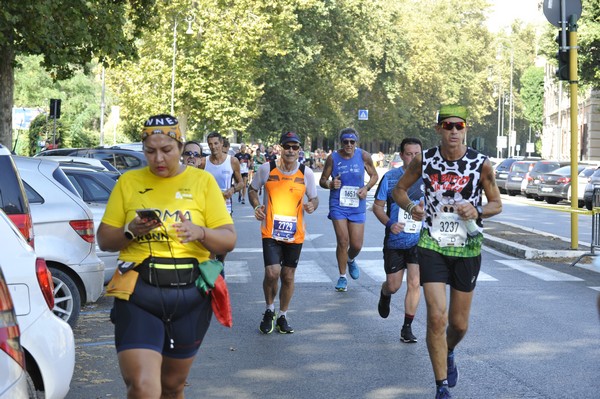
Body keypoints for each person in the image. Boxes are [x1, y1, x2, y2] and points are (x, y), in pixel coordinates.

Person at [97, 114, 237, 399]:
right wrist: (130, 231)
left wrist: (201, 232)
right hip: (138, 293)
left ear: (180, 146)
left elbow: (229, 240)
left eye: (166, 150)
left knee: (172, 388)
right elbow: (104, 240)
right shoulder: (129, 182)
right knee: (143, 387)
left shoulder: (202, 182)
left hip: (191, 295)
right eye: (150, 151)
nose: (158, 158)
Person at [392, 105, 502, 399]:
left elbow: (496, 204)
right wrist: (411, 207)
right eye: (448, 125)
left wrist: (476, 209)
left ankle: (449, 348)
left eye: (459, 125)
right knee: (436, 319)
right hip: (432, 245)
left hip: (467, 248)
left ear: (466, 129)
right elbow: (399, 190)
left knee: (458, 324)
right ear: (439, 128)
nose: (454, 131)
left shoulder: (481, 164)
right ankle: (441, 386)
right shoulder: (425, 160)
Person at [248, 131, 318, 334]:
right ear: (280, 148)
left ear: (299, 150)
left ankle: (283, 315)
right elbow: (252, 190)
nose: (290, 150)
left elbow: (314, 198)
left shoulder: (306, 173)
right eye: (287, 146)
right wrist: (255, 206)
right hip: (270, 230)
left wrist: (312, 205)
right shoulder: (266, 169)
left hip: (295, 233)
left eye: (295, 147)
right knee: (272, 273)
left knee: (287, 276)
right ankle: (269, 309)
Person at [373, 137, 424, 343]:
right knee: (394, 285)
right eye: (409, 154)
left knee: (415, 283)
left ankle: (407, 327)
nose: (413, 158)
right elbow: (377, 206)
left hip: (419, 240)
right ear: (402, 155)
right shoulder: (391, 178)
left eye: (417, 154)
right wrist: (389, 224)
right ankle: (385, 293)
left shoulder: (427, 179)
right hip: (395, 240)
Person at [319, 127, 378, 292]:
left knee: (357, 245)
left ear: (356, 143)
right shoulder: (333, 158)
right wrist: (330, 184)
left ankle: (351, 259)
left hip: (357, 203)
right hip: (338, 203)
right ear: (341, 142)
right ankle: (342, 276)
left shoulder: (363, 156)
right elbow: (322, 180)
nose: (349, 145)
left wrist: (366, 188)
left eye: (352, 142)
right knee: (343, 240)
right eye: (345, 142)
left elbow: (374, 176)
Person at [198, 131, 244, 267]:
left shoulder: (232, 161)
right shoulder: (203, 163)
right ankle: (211, 266)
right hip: (206, 206)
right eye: (210, 144)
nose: (213, 147)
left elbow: (241, 183)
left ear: (222, 144)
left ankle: (221, 263)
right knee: (209, 239)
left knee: (223, 241)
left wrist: (232, 190)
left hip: (225, 205)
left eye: (216, 143)